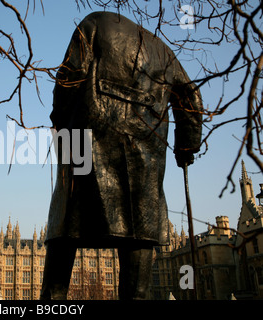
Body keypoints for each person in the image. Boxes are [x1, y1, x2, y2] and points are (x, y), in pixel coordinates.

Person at [40, 11, 203, 300]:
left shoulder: (94, 23)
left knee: (66, 229)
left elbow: (70, 77)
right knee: (139, 241)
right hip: (145, 158)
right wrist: (186, 147)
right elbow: (191, 98)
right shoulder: (164, 51)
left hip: (87, 141)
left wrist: (61, 123)